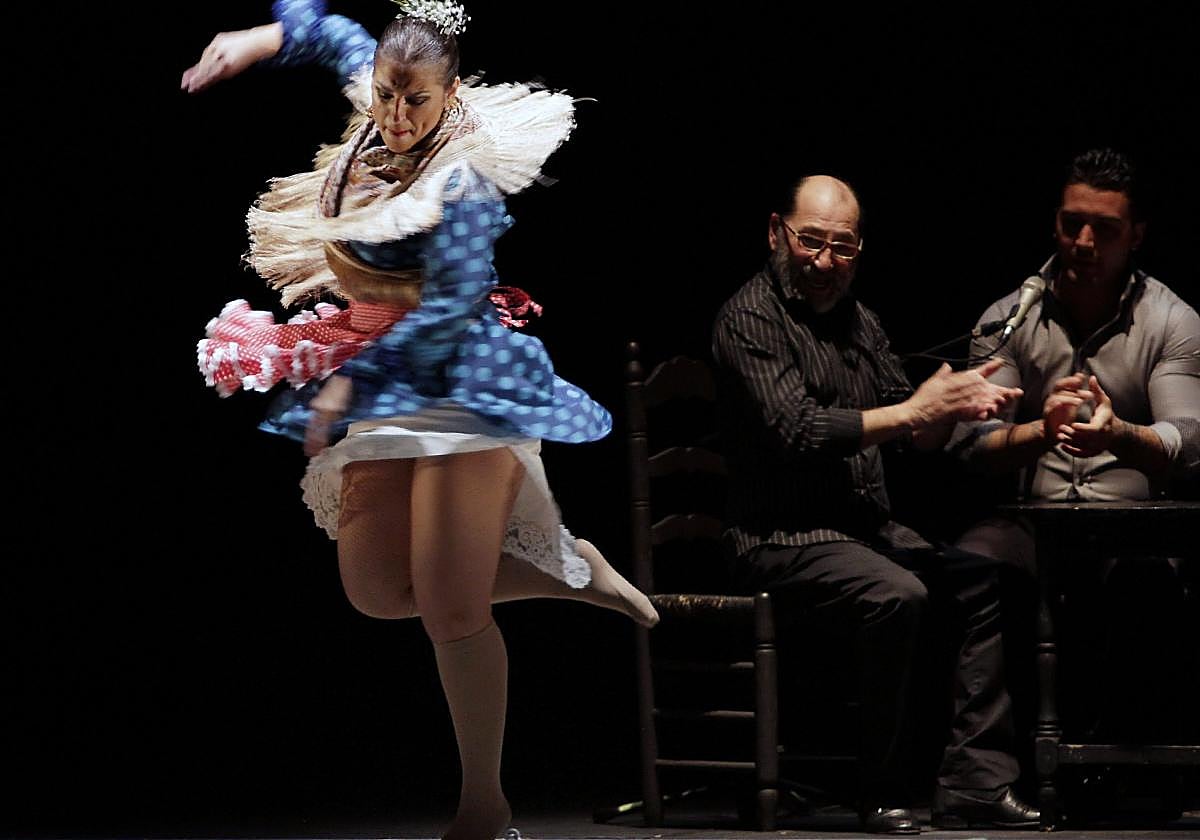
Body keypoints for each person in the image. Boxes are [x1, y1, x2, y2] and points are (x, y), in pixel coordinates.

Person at [182, 2, 657, 838]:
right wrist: (253, 42)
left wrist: (346, 386)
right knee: (376, 591)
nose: (397, 116)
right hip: (375, 363)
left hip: (457, 376)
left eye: (417, 103)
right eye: (388, 97)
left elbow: (447, 311)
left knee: (448, 607)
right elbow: (325, 34)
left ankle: (484, 807)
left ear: (452, 94)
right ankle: (575, 571)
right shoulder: (376, 94)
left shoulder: (465, 177)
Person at [711, 174, 1039, 833]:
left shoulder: (862, 323)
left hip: (860, 532)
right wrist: (914, 410)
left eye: (843, 247)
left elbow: (914, 434)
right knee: (897, 594)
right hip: (779, 538)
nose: (825, 262)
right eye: (811, 242)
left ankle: (973, 784)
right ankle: (879, 788)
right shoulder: (748, 317)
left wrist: (955, 407)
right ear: (777, 232)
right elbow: (797, 429)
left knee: (986, 580)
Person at [951, 149, 1200, 757]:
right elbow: (969, 446)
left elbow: (1188, 440)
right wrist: (1040, 429)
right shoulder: (1010, 318)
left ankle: (1130, 771)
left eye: (1106, 230)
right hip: (1032, 524)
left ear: (1136, 235)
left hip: (1131, 530)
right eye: (1071, 224)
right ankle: (981, 775)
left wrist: (1120, 435)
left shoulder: (1172, 321)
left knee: (1147, 580)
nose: (1084, 241)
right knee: (971, 561)